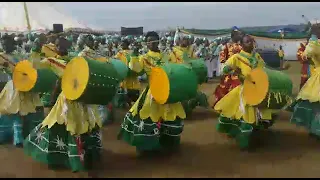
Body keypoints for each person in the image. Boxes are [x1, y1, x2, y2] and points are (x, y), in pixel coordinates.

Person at [118, 31, 185, 156]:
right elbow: (135, 70)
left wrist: (175, 51)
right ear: (146, 43)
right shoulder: (144, 58)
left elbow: (177, 67)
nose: (151, 43)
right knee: (148, 116)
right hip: (152, 92)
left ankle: (168, 144)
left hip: (167, 91)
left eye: (153, 40)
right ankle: (147, 147)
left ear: (158, 41)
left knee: (169, 117)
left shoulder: (166, 56)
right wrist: (134, 55)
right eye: (148, 41)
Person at [214, 35, 273, 150]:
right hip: (244, 90)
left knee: (259, 114)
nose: (250, 43)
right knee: (246, 115)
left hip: (257, 90)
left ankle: (254, 135)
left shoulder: (257, 56)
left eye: (251, 41)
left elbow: (264, 69)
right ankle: (244, 142)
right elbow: (224, 69)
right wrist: (232, 70)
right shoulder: (237, 57)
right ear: (241, 44)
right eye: (247, 42)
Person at [0, 34, 44, 146]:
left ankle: (24, 134)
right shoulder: (2, 56)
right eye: (3, 44)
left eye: (7, 43)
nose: (5, 46)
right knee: (14, 111)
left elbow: (28, 66)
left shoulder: (19, 55)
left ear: (12, 44)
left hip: (23, 86)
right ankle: (17, 136)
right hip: (12, 88)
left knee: (24, 111)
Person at [288, 24, 320, 138]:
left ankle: (315, 129)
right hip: (312, 73)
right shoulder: (312, 44)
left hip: (317, 76)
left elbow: (306, 55)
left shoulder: (314, 44)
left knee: (314, 104)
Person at [212, 27, 243, 107]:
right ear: (233, 36)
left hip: (240, 72)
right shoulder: (226, 46)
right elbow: (222, 59)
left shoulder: (241, 47)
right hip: (229, 72)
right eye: (238, 35)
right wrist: (228, 69)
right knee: (225, 89)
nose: (240, 36)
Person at [114, 39, 141, 107]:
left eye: (123, 43)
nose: (122, 45)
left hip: (127, 76)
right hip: (129, 76)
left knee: (128, 93)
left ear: (127, 44)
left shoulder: (127, 53)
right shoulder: (120, 53)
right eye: (121, 44)